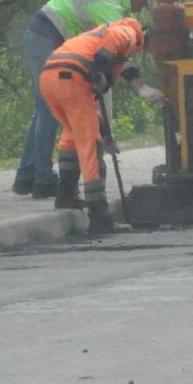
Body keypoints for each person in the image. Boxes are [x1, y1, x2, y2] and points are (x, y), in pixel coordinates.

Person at [13, 0, 150, 198]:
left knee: (43, 109)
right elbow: (116, 49)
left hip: (41, 32)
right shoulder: (109, 5)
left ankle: (27, 176)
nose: (141, 7)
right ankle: (43, 180)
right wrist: (140, 85)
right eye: (142, 1)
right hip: (46, 35)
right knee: (49, 108)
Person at [40, 17, 147, 233]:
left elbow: (94, 114)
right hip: (73, 78)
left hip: (50, 78)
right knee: (91, 147)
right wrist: (99, 71)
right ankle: (100, 217)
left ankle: (67, 195)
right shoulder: (128, 31)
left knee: (71, 135)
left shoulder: (94, 39)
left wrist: (107, 136)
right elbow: (115, 41)